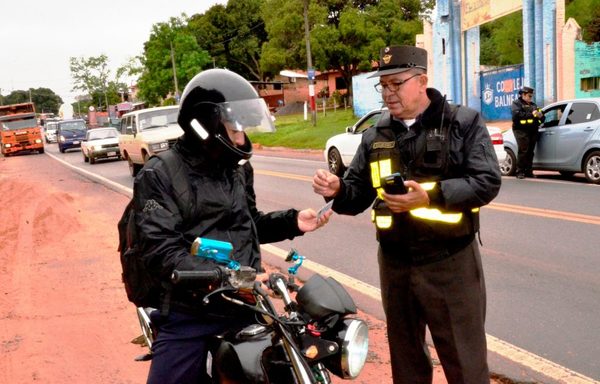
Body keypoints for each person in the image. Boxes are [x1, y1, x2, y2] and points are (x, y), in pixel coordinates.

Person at [312, 45, 501, 383]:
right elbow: (357, 194)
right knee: (406, 361)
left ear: (422, 80)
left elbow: (486, 182)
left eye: (396, 84)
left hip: (450, 264)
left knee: (465, 363)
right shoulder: (377, 136)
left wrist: (430, 196)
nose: (388, 93)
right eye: (383, 85)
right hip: (396, 264)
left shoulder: (462, 123)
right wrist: (338, 189)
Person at [133, 68, 332, 384]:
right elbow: (160, 248)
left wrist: (293, 221)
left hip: (245, 303)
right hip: (190, 311)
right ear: (205, 125)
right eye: (235, 127)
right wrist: (223, 275)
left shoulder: (238, 169)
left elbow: (248, 223)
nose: (242, 137)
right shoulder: (160, 174)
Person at [511, 86, 544, 179]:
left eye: (531, 96)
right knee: (523, 150)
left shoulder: (533, 105)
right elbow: (516, 116)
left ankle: (529, 171)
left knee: (530, 151)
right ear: (523, 95)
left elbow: (542, 117)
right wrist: (532, 114)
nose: (530, 98)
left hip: (532, 130)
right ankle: (520, 171)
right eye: (529, 96)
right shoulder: (516, 103)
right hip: (520, 130)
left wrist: (540, 115)